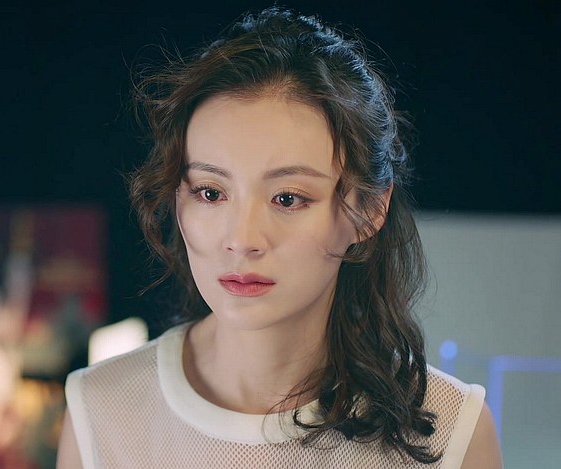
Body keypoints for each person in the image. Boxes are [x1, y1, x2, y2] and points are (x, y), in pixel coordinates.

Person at [57, 6, 502, 468]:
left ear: (370, 209)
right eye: (211, 193)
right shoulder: (101, 412)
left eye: (287, 199)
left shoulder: (452, 433)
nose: (242, 239)